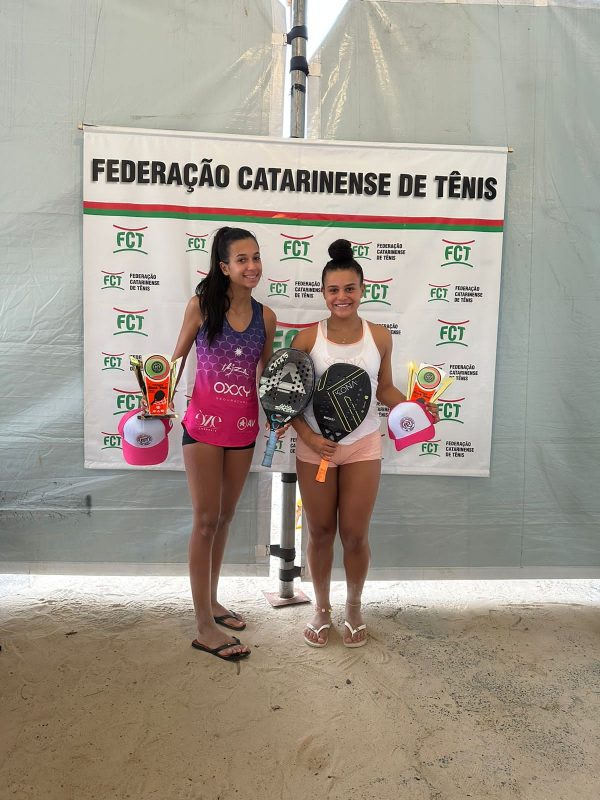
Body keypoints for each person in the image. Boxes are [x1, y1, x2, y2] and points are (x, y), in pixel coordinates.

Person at [291, 239, 438, 648]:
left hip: (363, 447)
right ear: (323, 294)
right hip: (314, 449)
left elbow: (384, 389)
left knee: (354, 535)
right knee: (320, 533)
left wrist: (416, 409)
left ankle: (353, 606)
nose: (342, 296)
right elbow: (287, 401)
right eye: (334, 290)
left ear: (362, 289)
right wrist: (310, 437)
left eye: (349, 288)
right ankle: (321, 608)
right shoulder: (305, 340)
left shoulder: (379, 337)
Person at [171, 226, 276, 661]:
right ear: (224, 267)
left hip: (242, 430)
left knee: (226, 516)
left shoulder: (266, 318)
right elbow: (175, 359)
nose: (251, 267)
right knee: (205, 521)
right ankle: (202, 627)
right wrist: (155, 400)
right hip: (203, 429)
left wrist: (282, 414)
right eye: (242, 260)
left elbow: (268, 378)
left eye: (256, 258)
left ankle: (212, 603)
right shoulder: (201, 307)